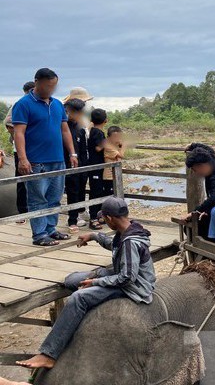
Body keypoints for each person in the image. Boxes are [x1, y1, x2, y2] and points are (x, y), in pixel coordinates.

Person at [17, 197, 155, 369]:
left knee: (78, 297)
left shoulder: (130, 242)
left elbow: (127, 278)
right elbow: (114, 245)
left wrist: (97, 281)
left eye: (104, 219)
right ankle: (74, 319)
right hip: (119, 274)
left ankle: (49, 354)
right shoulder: (128, 228)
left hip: (132, 287)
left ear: (110, 219)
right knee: (72, 280)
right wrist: (94, 236)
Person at [11, 68, 78, 246]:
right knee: (37, 199)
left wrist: (72, 152)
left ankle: (51, 229)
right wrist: (23, 159)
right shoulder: (23, 104)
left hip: (57, 160)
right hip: (36, 161)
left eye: (54, 86)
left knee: (54, 198)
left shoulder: (57, 104)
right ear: (37, 82)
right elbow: (19, 133)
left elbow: (64, 130)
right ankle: (39, 235)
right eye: (48, 86)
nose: (51, 89)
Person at [183, 144, 215, 237]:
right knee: (193, 225)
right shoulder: (212, 160)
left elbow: (214, 198)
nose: (196, 173)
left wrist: (195, 211)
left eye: (195, 170)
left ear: (201, 166)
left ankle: (212, 246)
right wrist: (193, 146)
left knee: (193, 227)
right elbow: (208, 149)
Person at [4, 81, 36, 222]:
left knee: (36, 180)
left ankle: (35, 209)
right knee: (22, 180)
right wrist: (20, 137)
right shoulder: (20, 104)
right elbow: (9, 124)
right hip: (22, 150)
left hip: (36, 149)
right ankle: (22, 211)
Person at [63, 98, 89, 233]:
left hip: (81, 165)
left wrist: (85, 167)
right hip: (68, 165)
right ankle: (72, 220)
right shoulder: (62, 127)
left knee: (81, 189)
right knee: (72, 191)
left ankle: (79, 213)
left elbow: (84, 150)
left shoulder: (81, 129)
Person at [87, 108, 108, 230]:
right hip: (95, 167)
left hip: (98, 167)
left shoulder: (94, 131)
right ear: (106, 120)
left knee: (99, 190)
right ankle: (93, 218)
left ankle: (99, 215)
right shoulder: (97, 132)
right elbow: (98, 148)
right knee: (96, 191)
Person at [102, 126, 125, 196]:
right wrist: (124, 146)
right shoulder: (109, 147)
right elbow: (121, 155)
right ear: (108, 137)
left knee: (117, 195)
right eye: (115, 137)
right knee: (110, 196)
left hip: (115, 175)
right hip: (109, 176)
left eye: (118, 137)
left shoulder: (114, 146)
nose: (117, 139)